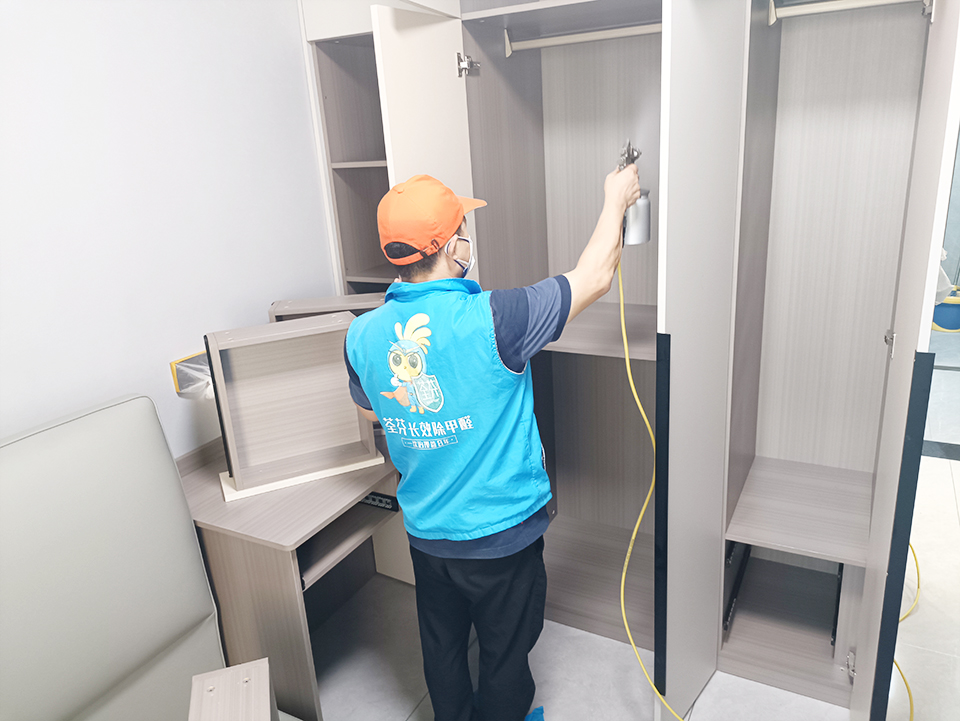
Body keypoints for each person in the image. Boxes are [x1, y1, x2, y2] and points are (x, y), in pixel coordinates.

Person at [344, 167, 641, 721]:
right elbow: (596, 276)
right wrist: (616, 198)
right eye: (463, 230)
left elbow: (369, 410)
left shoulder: (361, 333)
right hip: (502, 537)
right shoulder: (496, 319)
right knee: (504, 653)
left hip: (428, 534)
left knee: (443, 648)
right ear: (450, 246)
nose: (467, 241)